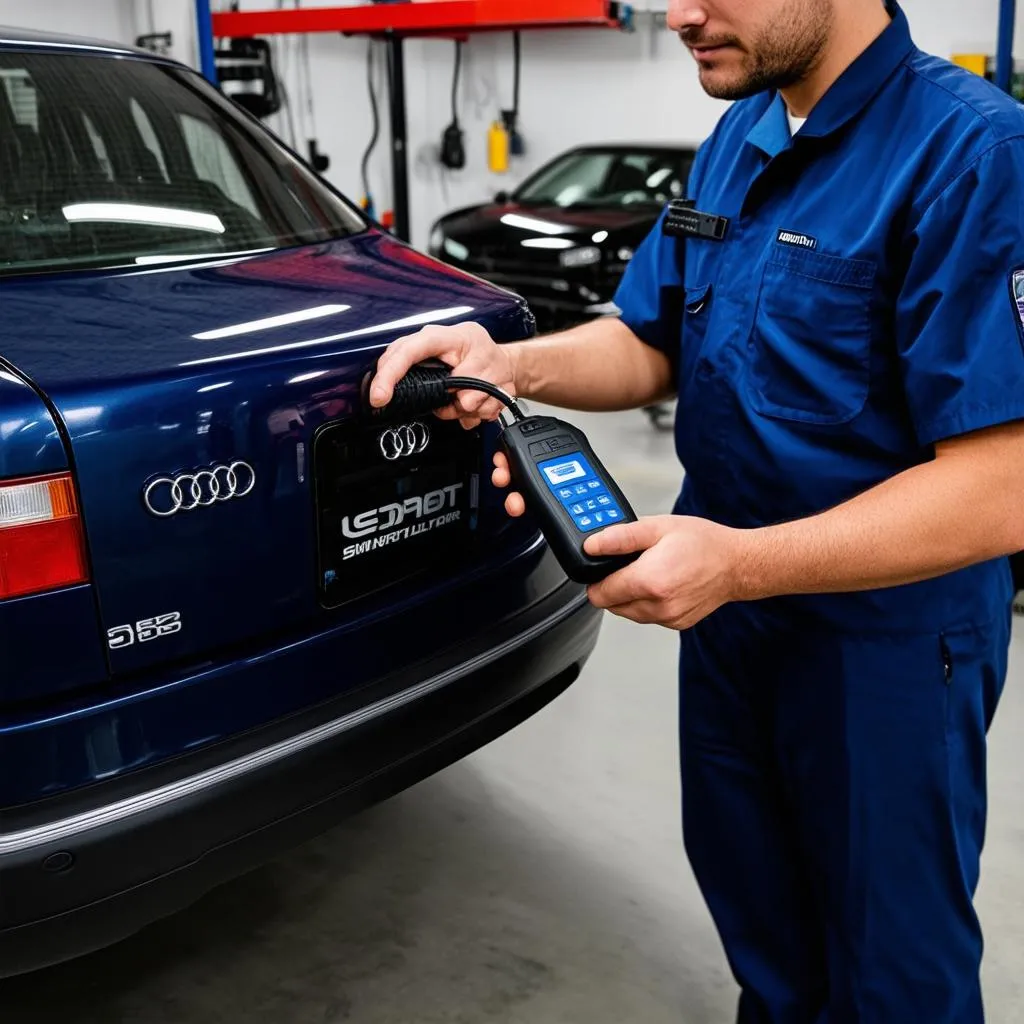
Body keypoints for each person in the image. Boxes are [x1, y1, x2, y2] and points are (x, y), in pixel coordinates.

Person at [370, 1, 1024, 1020]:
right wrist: (509, 364)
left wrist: (743, 563)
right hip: (729, 623)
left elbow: (1003, 484)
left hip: (884, 649)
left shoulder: (975, 150)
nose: (677, 13)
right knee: (764, 935)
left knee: (892, 970)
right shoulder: (739, 137)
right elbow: (651, 340)